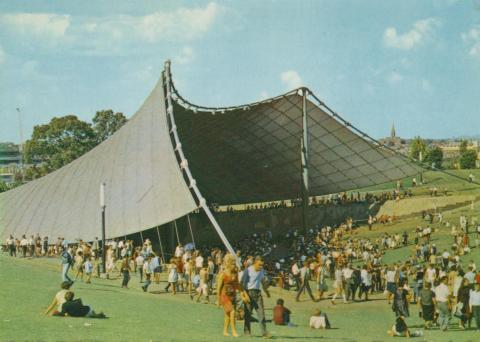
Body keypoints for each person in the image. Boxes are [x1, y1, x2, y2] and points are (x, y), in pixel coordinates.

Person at [241, 256, 272, 338]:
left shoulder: (261, 271)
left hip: (258, 294)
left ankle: (264, 333)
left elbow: (262, 281)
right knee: (248, 314)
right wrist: (245, 295)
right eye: (259, 265)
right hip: (248, 293)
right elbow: (242, 285)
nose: (261, 267)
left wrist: (267, 292)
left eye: (262, 265)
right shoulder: (248, 270)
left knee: (261, 314)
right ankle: (247, 332)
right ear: (255, 263)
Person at [217, 254, 247, 337]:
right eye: (233, 263)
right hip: (224, 296)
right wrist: (218, 301)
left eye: (235, 263)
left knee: (227, 314)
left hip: (232, 295)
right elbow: (218, 289)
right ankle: (234, 331)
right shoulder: (222, 274)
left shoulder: (235, 273)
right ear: (228, 263)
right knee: (233, 311)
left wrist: (243, 294)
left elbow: (237, 285)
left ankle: (225, 331)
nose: (235, 265)